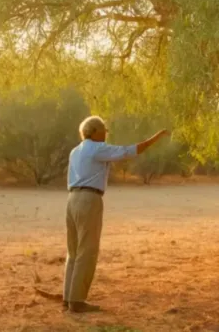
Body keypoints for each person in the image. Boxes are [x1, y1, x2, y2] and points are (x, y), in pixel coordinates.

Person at [63, 115, 169, 313]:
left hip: (72, 199)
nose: (106, 134)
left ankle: (68, 297)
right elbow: (128, 152)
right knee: (87, 250)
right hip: (89, 199)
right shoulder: (97, 148)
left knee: (74, 250)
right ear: (95, 131)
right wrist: (155, 138)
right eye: (104, 130)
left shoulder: (75, 151)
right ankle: (76, 301)